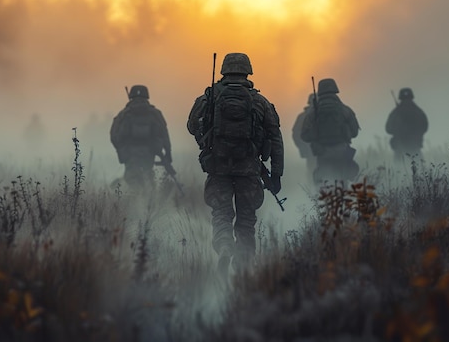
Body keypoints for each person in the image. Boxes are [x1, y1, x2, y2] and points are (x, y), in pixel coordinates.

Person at [187, 53, 284, 278]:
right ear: (248, 71)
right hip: (249, 169)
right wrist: (277, 173)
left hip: (217, 167)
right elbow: (275, 137)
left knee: (221, 214)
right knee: (247, 220)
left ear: (223, 70)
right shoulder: (259, 102)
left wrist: (207, 139)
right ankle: (244, 270)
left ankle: (224, 248)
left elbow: (192, 126)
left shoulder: (209, 98)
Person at [110, 85, 172, 192]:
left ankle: (135, 199)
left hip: (130, 153)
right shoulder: (155, 113)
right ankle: (150, 200)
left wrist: (121, 150)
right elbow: (164, 134)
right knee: (148, 175)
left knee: (132, 178)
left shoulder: (124, 113)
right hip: (149, 152)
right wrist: (167, 153)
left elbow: (114, 135)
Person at [301, 78, 360, 184]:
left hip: (322, 153)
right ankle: (343, 198)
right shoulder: (344, 110)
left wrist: (316, 135)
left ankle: (324, 199)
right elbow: (355, 132)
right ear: (335, 89)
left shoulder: (313, 112)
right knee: (343, 181)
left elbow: (304, 136)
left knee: (324, 186)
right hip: (342, 151)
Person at [385, 87, 428, 162]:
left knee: (399, 170)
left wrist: (399, 131)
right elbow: (424, 127)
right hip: (414, 147)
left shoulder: (396, 112)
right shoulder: (418, 111)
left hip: (400, 149)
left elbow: (388, 128)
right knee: (418, 170)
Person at [292, 93, 317, 183]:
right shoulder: (303, 117)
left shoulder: (303, 116)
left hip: (317, 152)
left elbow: (296, 134)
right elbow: (296, 134)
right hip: (312, 152)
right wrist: (304, 148)